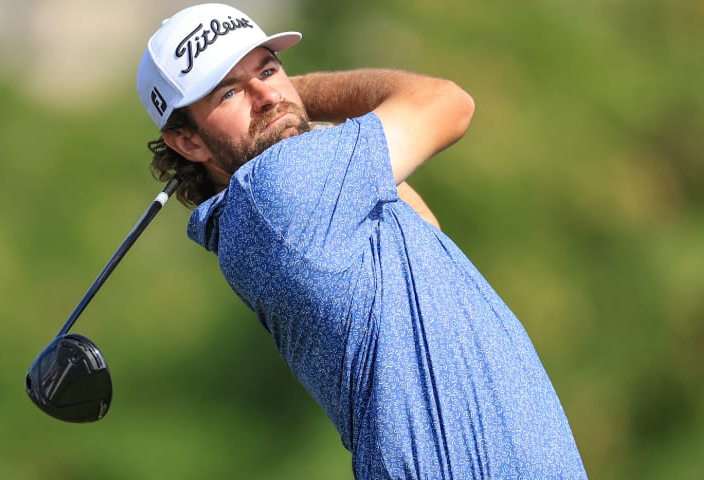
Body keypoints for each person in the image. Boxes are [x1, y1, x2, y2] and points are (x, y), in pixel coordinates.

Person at [137, 3, 587, 479]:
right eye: (229, 92)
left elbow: (425, 236)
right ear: (188, 143)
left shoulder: (305, 201)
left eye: (269, 69)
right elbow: (450, 104)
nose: (266, 95)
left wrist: (294, 117)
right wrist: (304, 93)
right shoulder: (278, 189)